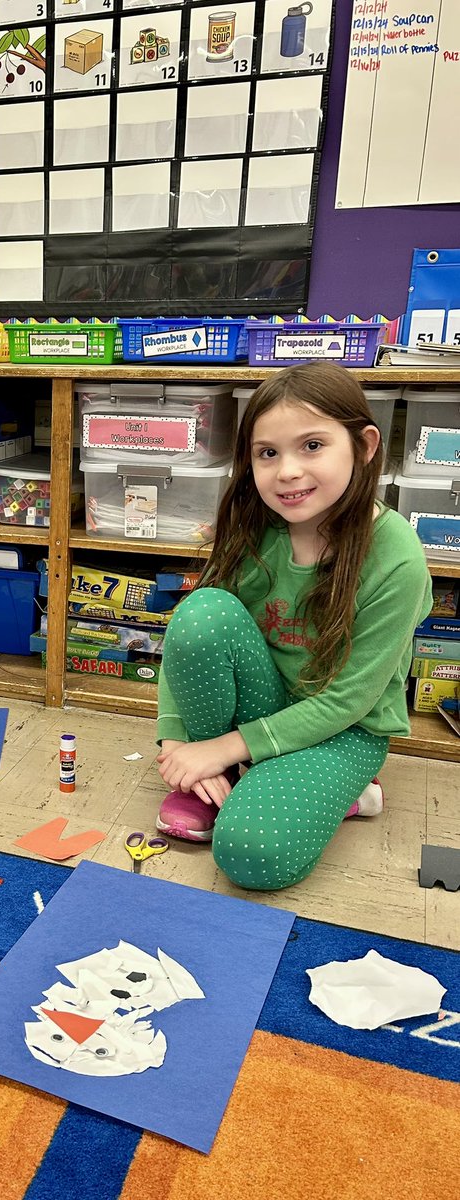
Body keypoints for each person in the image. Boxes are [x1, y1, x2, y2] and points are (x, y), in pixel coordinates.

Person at [155, 361, 432, 891]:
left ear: (364, 446)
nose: (286, 471)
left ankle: (342, 792)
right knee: (201, 614)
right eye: (267, 453)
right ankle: (213, 781)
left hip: (345, 730)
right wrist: (176, 741)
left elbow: (348, 702)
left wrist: (222, 748)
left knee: (251, 855)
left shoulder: (397, 557)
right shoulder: (255, 527)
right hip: (265, 707)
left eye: (312, 446)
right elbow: (187, 641)